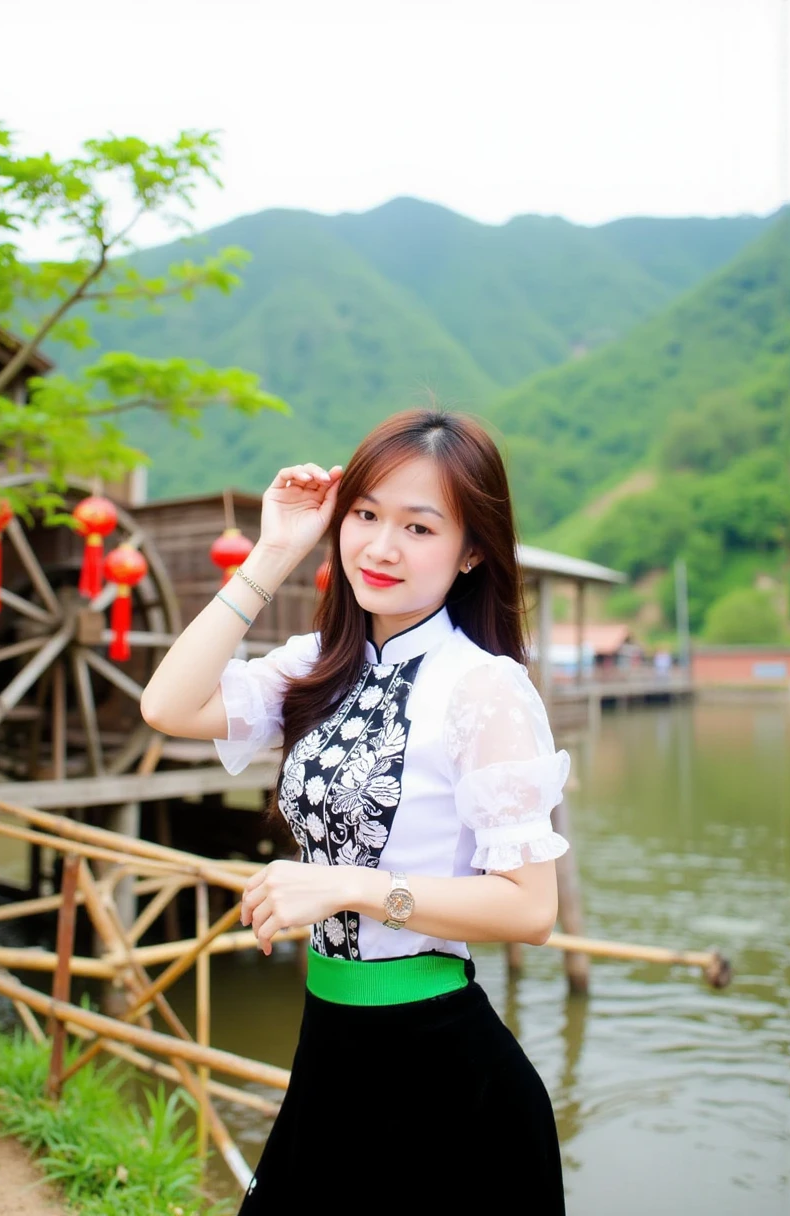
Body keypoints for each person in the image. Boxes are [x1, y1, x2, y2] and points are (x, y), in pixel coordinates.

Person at [140, 408, 570, 1212]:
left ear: (472, 549)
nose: (380, 546)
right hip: (331, 1047)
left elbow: (531, 908)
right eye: (366, 514)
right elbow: (167, 704)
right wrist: (272, 553)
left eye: (418, 526)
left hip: (448, 1079)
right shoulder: (322, 664)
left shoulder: (484, 689)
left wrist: (349, 886)